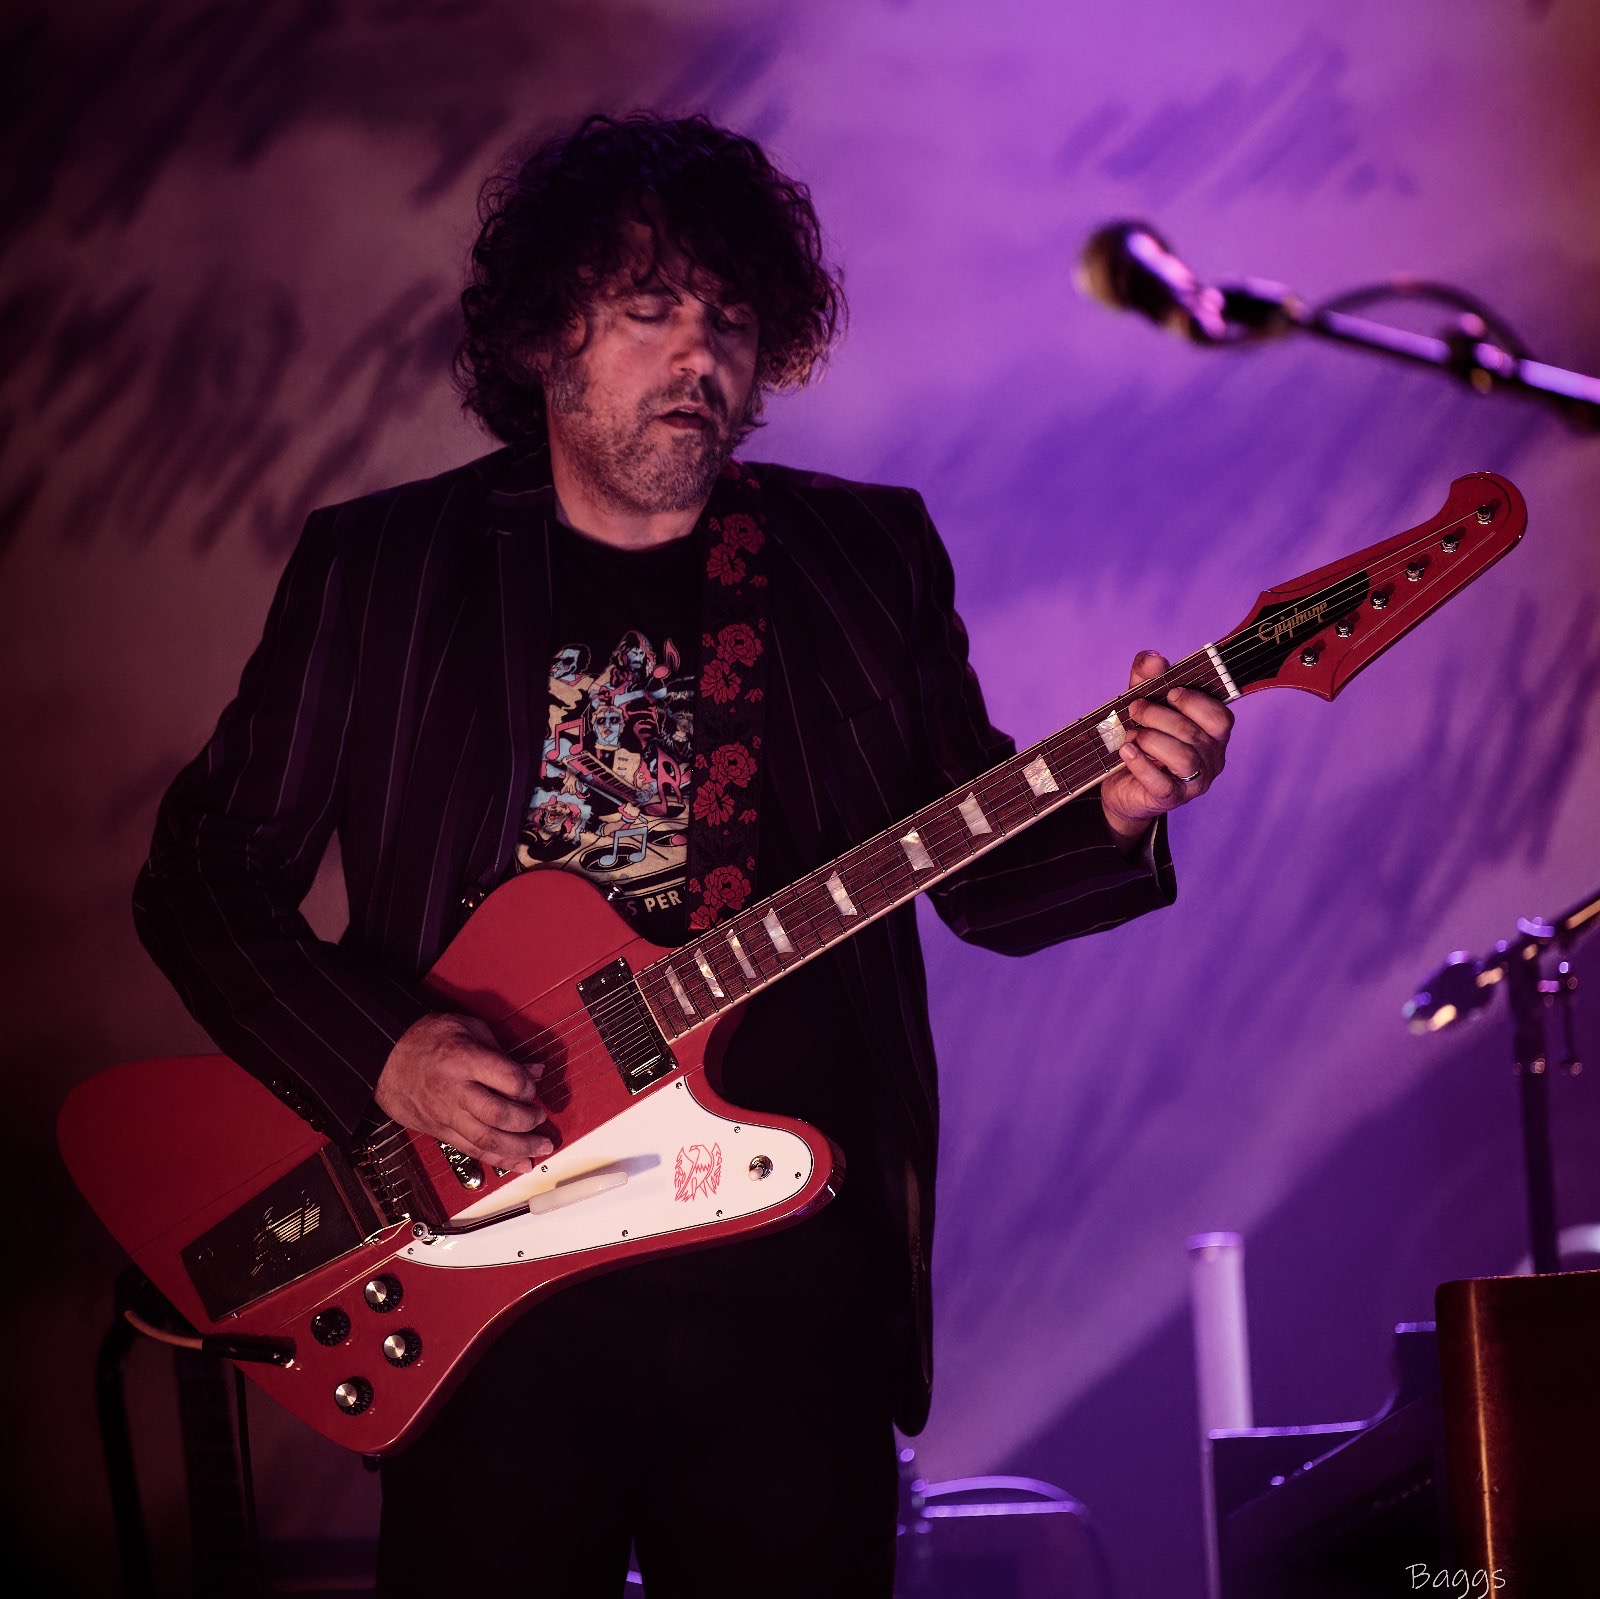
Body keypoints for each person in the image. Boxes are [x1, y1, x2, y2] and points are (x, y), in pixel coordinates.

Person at [133, 113, 1232, 1597]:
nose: (699, 355)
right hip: (490, 1295)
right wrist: (385, 1057)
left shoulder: (863, 559)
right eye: (649, 311)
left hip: (787, 1289)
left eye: (730, 319)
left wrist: (1118, 805)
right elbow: (202, 879)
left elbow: (975, 871)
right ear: (546, 339)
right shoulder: (382, 570)